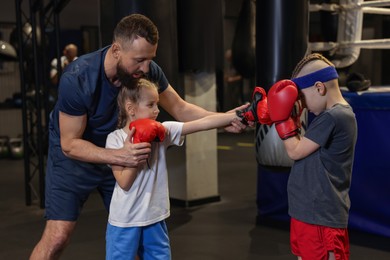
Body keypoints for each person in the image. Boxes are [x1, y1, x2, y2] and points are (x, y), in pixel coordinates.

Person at [30, 14, 248, 259]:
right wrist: (118, 154)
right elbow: (69, 144)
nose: (146, 68)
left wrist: (227, 118)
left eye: (150, 59)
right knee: (58, 237)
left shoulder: (146, 72)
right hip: (76, 159)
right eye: (139, 60)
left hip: (123, 157)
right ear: (116, 50)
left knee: (135, 234)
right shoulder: (78, 78)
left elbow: (181, 109)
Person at [105, 78, 243, 259]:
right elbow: (124, 182)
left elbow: (201, 124)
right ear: (131, 109)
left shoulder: (163, 131)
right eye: (151, 105)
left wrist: (239, 115)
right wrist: (138, 145)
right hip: (124, 220)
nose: (157, 110)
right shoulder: (114, 139)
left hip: (154, 217)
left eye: (157, 104)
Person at [267, 53, 357, 260]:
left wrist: (282, 119)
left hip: (321, 217)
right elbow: (303, 150)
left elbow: (295, 151)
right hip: (308, 213)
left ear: (319, 88)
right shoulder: (329, 116)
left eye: (302, 97)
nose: (303, 104)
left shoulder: (336, 116)